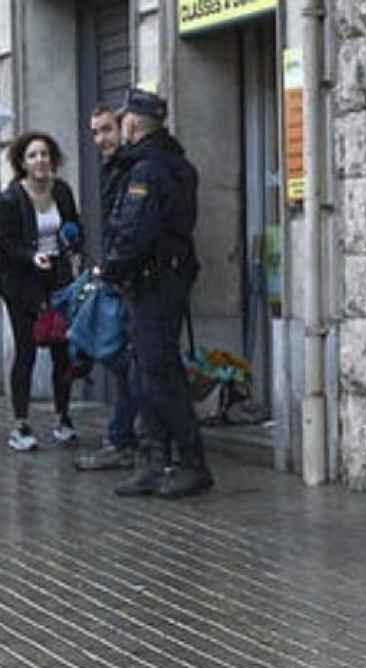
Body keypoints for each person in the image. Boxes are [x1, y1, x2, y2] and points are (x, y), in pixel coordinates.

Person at [98, 87, 211, 499]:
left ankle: (190, 461)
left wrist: (110, 269)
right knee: (149, 373)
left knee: (160, 374)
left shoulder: (148, 170)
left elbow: (134, 230)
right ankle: (155, 459)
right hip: (160, 279)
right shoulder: (175, 163)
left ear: (131, 123)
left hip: (152, 282)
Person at [2, 131, 82, 451]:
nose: (40, 161)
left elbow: (74, 227)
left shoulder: (61, 190)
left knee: (63, 348)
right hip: (21, 284)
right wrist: (31, 257)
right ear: (22, 162)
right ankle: (20, 424)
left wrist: (74, 241)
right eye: (33, 155)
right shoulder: (10, 199)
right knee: (27, 349)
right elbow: (5, 244)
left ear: (53, 159)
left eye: (45, 154)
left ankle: (63, 418)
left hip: (58, 280)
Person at [78, 104, 144, 472]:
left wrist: (115, 269)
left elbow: (128, 228)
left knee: (125, 361)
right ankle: (124, 436)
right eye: (95, 132)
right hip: (115, 275)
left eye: (106, 130)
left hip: (129, 279)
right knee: (121, 362)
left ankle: (125, 439)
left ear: (122, 128)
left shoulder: (131, 169)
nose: (101, 139)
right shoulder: (113, 169)